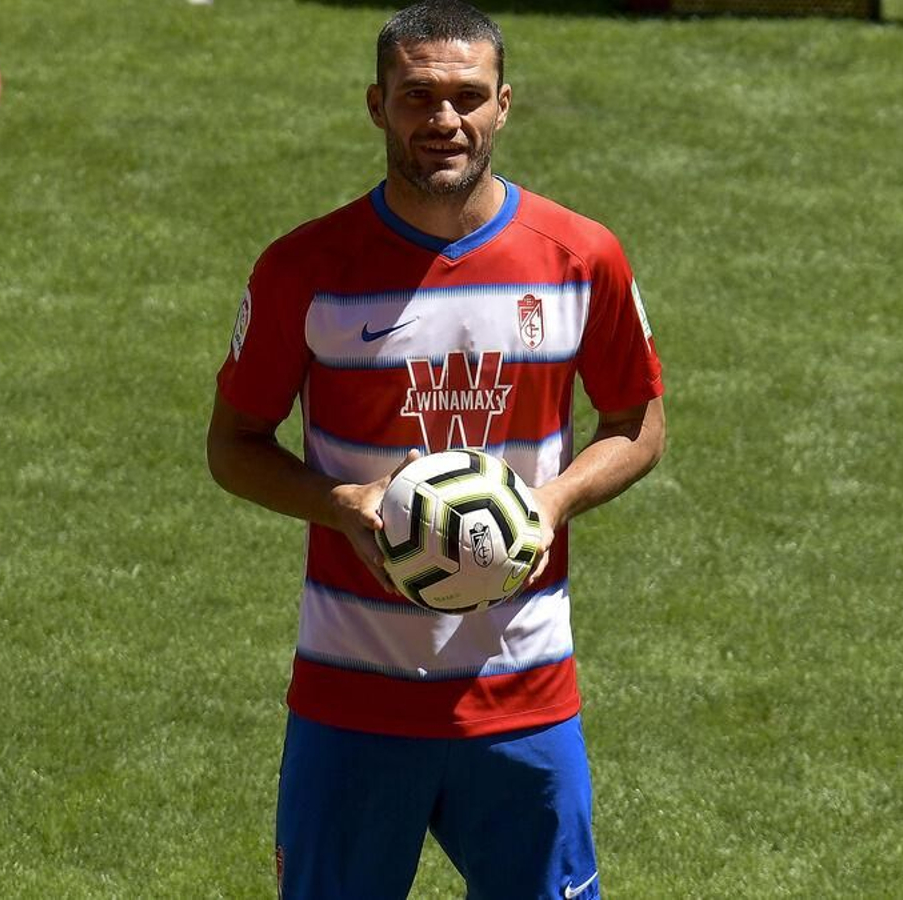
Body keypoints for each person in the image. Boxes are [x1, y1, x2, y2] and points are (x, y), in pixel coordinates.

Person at [206, 2, 665, 896]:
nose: (444, 120)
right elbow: (234, 444)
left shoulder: (580, 257)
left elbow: (639, 422)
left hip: (523, 694)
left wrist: (552, 503)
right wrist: (338, 503)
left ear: (504, 105)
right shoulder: (304, 269)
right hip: (353, 699)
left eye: (467, 97)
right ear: (377, 104)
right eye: (418, 96)